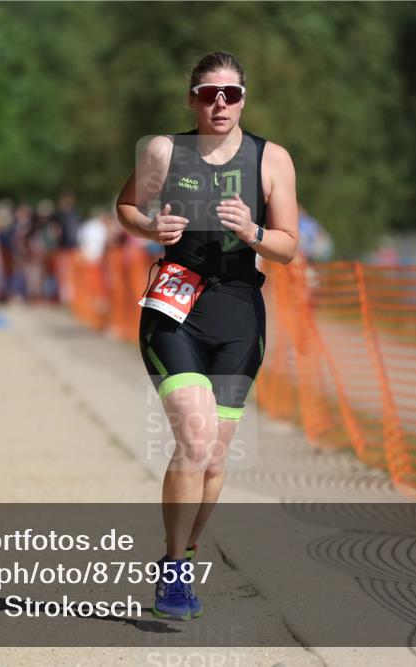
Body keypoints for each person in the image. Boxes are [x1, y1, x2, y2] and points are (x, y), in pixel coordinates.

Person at [116, 51, 298, 620]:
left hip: (239, 314)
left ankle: (186, 554)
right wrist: (148, 225)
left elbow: (289, 246)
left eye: (231, 93)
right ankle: (173, 572)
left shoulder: (272, 159)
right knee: (194, 442)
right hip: (174, 310)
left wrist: (254, 230)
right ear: (190, 98)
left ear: (245, 98)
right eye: (208, 93)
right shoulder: (162, 151)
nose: (220, 103)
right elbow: (126, 206)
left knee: (214, 460)